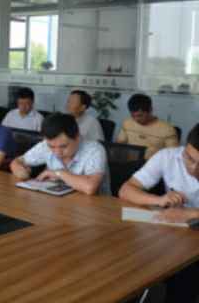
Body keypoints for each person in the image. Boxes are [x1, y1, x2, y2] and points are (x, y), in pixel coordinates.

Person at [119, 123, 199, 303]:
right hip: (173, 237)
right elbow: (126, 190)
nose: (193, 169)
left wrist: (192, 213)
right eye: (189, 158)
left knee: (184, 281)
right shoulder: (167, 157)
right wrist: (159, 200)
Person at [10, 113, 111, 195]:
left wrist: (58, 173)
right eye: (52, 147)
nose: (57, 153)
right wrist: (19, 170)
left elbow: (90, 187)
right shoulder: (46, 145)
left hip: (95, 207)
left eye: (63, 146)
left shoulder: (94, 150)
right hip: (58, 202)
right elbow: (18, 161)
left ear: (77, 137)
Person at [116, 93, 178, 159]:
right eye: (133, 116)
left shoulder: (167, 130)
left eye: (140, 115)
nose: (136, 119)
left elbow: (173, 156)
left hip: (154, 163)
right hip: (130, 161)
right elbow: (119, 145)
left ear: (150, 110)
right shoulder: (127, 123)